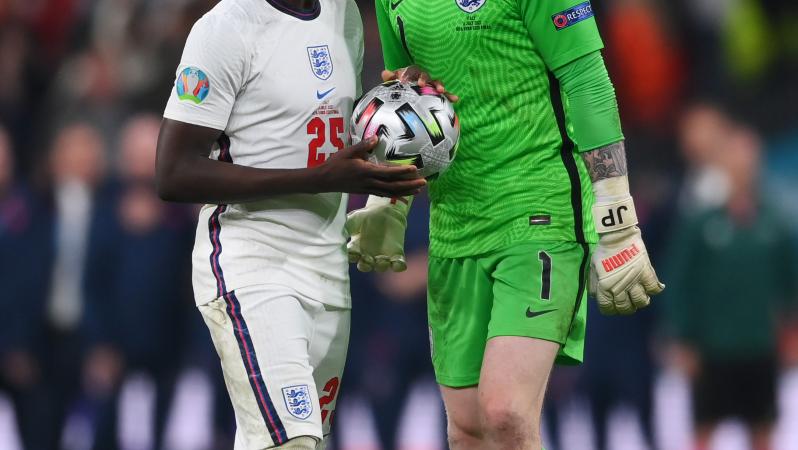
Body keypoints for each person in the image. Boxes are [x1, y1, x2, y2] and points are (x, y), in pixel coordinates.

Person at [345, 1, 665, 449]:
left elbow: (588, 80)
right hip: (454, 224)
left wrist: (616, 216)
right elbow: (407, 100)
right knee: (468, 428)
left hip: (540, 212)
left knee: (506, 414)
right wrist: (390, 197)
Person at [155, 0, 425, 448]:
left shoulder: (344, 15)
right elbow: (173, 172)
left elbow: (330, 127)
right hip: (252, 264)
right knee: (292, 441)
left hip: (328, 271)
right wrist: (317, 180)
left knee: (292, 441)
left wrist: (405, 109)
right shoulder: (225, 27)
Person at [664, 123, 798, 450]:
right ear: (723, 165)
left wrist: (792, 332)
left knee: (763, 430)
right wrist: (681, 337)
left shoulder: (775, 222)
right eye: (735, 158)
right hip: (712, 350)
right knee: (703, 431)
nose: (743, 166)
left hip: (759, 347)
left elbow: (790, 281)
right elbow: (680, 282)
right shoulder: (701, 222)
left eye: (749, 159)